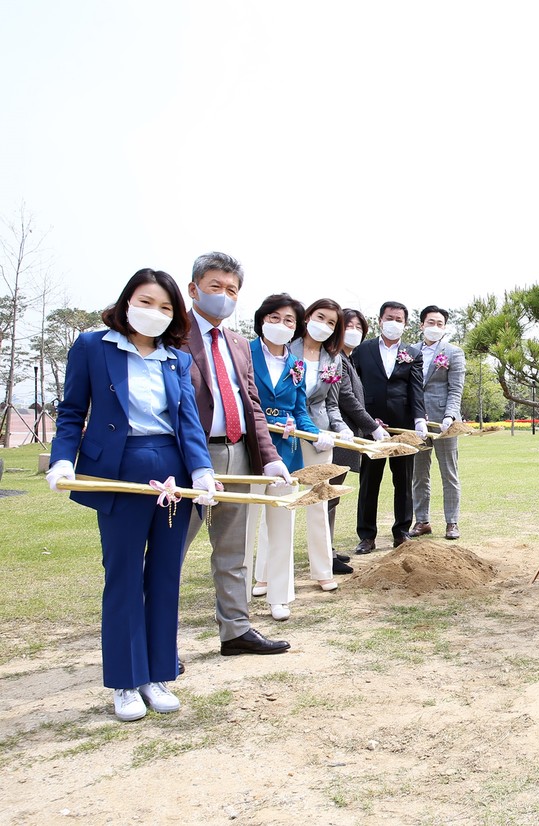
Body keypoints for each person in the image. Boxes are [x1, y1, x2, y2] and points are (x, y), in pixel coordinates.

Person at [46, 269, 219, 721]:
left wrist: (201, 471)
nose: (155, 313)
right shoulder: (92, 346)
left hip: (171, 475)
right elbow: (71, 411)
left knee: (165, 573)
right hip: (118, 472)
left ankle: (156, 674)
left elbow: (186, 422)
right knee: (122, 573)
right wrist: (62, 459)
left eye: (165, 307)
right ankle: (125, 680)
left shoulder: (177, 359)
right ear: (127, 302)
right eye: (146, 302)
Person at [179, 252, 292, 657]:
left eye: (232, 290)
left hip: (238, 453)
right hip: (189, 459)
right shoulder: (173, 335)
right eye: (216, 287)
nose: (224, 296)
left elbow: (253, 406)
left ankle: (236, 629)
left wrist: (270, 456)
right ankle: (157, 640)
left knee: (234, 550)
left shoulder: (238, 343)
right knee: (173, 550)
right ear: (193, 289)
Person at [245, 294, 332, 621]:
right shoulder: (244, 352)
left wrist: (314, 432)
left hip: (287, 452)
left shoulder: (296, 365)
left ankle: (279, 596)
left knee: (283, 524)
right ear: (262, 320)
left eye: (289, 321)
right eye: (274, 318)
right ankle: (238, 594)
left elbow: (299, 409)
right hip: (249, 449)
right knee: (245, 527)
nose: (281, 326)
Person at [349, 301, 425, 553]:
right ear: (381, 320)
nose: (394, 323)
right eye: (390, 318)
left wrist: (419, 419)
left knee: (403, 480)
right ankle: (367, 536)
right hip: (371, 425)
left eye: (399, 319)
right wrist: (365, 422)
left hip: (402, 427)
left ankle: (401, 531)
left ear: (405, 324)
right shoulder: (362, 350)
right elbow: (354, 387)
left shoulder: (413, 353)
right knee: (370, 481)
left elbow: (416, 389)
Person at [287, 298, 356, 576]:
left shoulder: (334, 358)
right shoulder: (285, 350)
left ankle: (323, 568)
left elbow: (331, 404)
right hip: (288, 433)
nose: (324, 326)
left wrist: (341, 428)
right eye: (321, 318)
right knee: (286, 502)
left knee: (320, 501)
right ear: (307, 318)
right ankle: (277, 571)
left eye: (331, 323)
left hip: (322, 438)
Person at [327, 309, 389, 547]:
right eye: (348, 326)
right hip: (339, 434)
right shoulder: (336, 358)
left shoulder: (347, 358)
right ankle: (326, 553)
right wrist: (372, 426)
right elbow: (346, 397)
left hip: (348, 435)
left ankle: (327, 550)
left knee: (332, 497)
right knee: (329, 496)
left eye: (359, 328)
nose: (353, 332)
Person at [408, 305, 466, 540]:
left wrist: (449, 416)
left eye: (439, 324)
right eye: (430, 322)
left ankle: (452, 522)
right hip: (417, 422)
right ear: (421, 325)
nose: (434, 327)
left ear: (445, 327)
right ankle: (422, 521)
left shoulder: (453, 352)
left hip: (445, 423)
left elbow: (456, 389)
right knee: (419, 474)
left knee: (449, 473)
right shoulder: (409, 351)